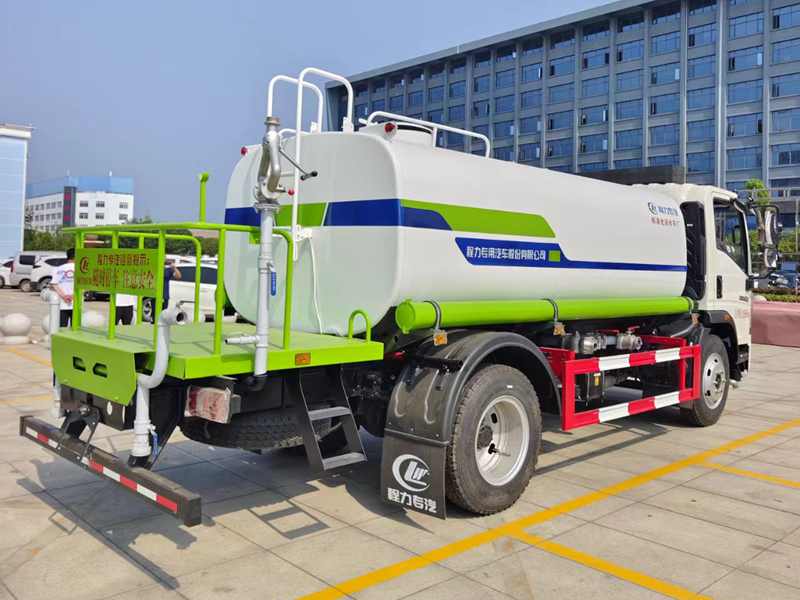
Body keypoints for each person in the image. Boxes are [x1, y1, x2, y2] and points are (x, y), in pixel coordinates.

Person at [51, 248, 75, 328]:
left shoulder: (58, 268)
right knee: (76, 329)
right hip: (76, 304)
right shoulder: (81, 270)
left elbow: (54, 284)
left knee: (62, 328)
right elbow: (84, 286)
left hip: (62, 303)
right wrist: (73, 296)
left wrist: (64, 296)